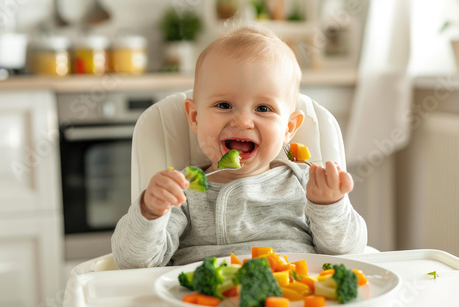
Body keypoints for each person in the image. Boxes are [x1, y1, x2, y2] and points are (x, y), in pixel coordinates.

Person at [112, 25, 367, 269]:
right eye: (224, 105)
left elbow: (349, 252)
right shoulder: (183, 192)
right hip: (206, 305)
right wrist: (150, 210)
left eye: (263, 108)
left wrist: (329, 205)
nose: (243, 121)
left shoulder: (305, 184)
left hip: (293, 301)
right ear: (195, 118)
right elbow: (134, 262)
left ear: (289, 129)